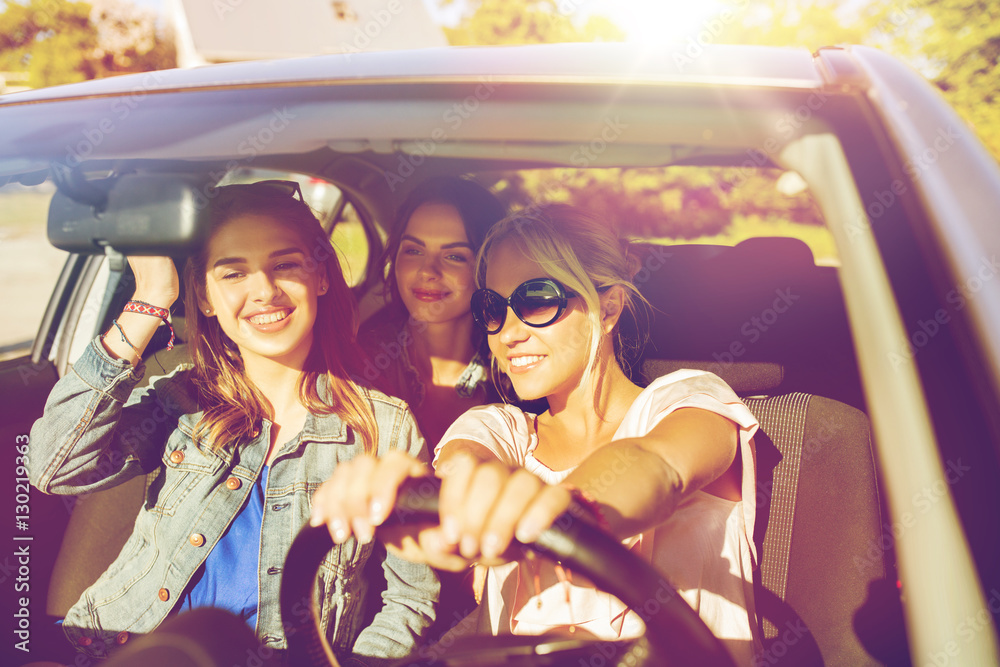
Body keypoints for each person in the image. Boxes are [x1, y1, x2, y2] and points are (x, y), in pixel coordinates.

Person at [311, 203, 762, 664]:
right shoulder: (495, 427)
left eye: (537, 300)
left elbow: (657, 466)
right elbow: (464, 469)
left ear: (608, 308)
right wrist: (428, 507)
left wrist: (554, 516)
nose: (508, 332)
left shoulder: (688, 400)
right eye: (493, 308)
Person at [28, 180, 438, 665]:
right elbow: (53, 467)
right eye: (233, 273)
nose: (263, 291)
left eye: (285, 265)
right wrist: (152, 297)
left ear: (321, 277)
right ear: (204, 297)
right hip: (124, 651)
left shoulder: (384, 429)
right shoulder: (181, 400)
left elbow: (410, 598)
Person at [360, 176, 507, 447]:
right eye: (414, 250)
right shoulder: (361, 364)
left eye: (454, 256)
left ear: (488, 266)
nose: (428, 271)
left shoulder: (515, 367)